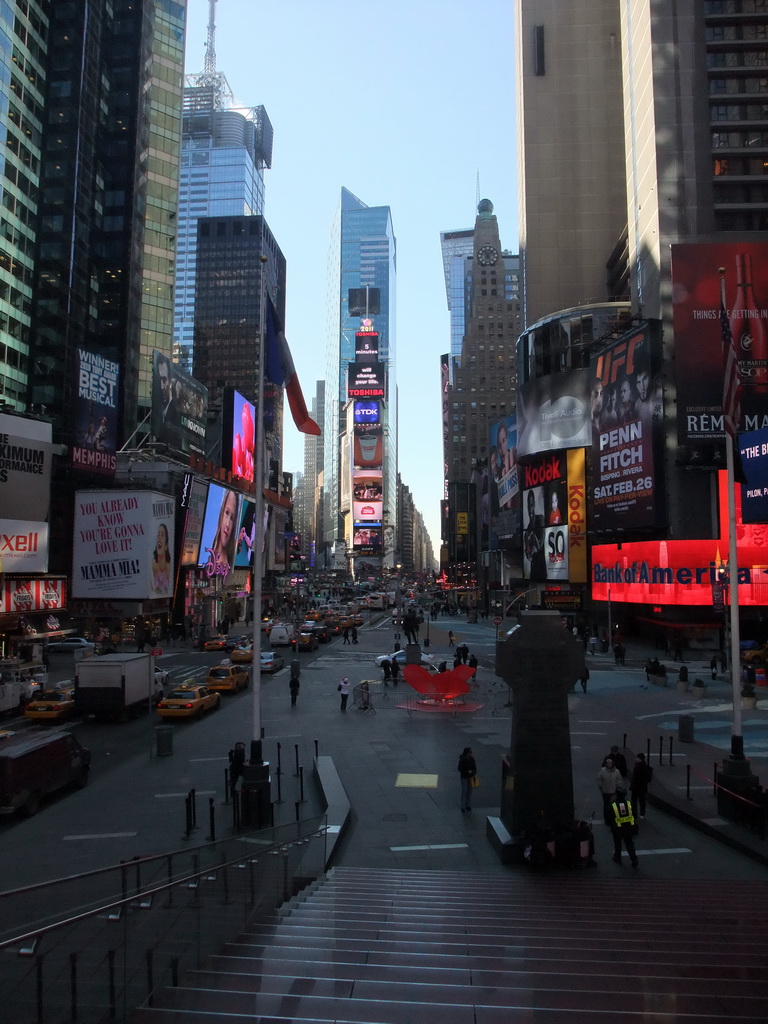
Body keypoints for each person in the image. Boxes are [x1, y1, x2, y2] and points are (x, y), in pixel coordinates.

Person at [210, 489, 239, 572]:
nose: (228, 525)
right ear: (221, 512)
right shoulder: (206, 556)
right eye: (227, 513)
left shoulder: (231, 563)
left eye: (232, 518)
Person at [610, 790, 639, 867]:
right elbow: (635, 815)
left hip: (618, 828)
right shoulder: (629, 803)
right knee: (629, 843)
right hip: (629, 827)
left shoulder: (613, 805)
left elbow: (609, 816)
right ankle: (634, 859)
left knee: (617, 843)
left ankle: (618, 858)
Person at [597, 758, 624, 824]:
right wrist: (601, 787)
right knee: (606, 806)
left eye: (610, 763)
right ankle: (607, 819)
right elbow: (599, 779)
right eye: (607, 763)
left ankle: (612, 818)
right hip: (605, 791)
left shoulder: (617, 771)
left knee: (613, 806)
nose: (609, 764)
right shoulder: (602, 770)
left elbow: (619, 781)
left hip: (613, 792)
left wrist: (618, 788)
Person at [151, 523, 172, 595]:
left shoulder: (169, 567)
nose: (159, 537)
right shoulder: (152, 565)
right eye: (158, 535)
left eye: (162, 535)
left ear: (166, 546)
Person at [630, 753, 653, 818]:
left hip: (636, 787)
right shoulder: (646, 767)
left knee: (634, 801)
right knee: (642, 801)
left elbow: (635, 778)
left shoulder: (637, 767)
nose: (635, 759)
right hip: (643, 788)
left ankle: (634, 813)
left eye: (637, 758)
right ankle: (642, 813)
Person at [457, 746, 477, 813]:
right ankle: (463, 806)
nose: (471, 753)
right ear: (467, 753)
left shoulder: (472, 759)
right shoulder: (462, 759)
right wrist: (467, 771)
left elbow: (475, 768)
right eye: (470, 752)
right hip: (464, 777)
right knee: (464, 791)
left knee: (469, 791)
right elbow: (459, 768)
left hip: (470, 777)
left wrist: (472, 772)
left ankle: (468, 805)